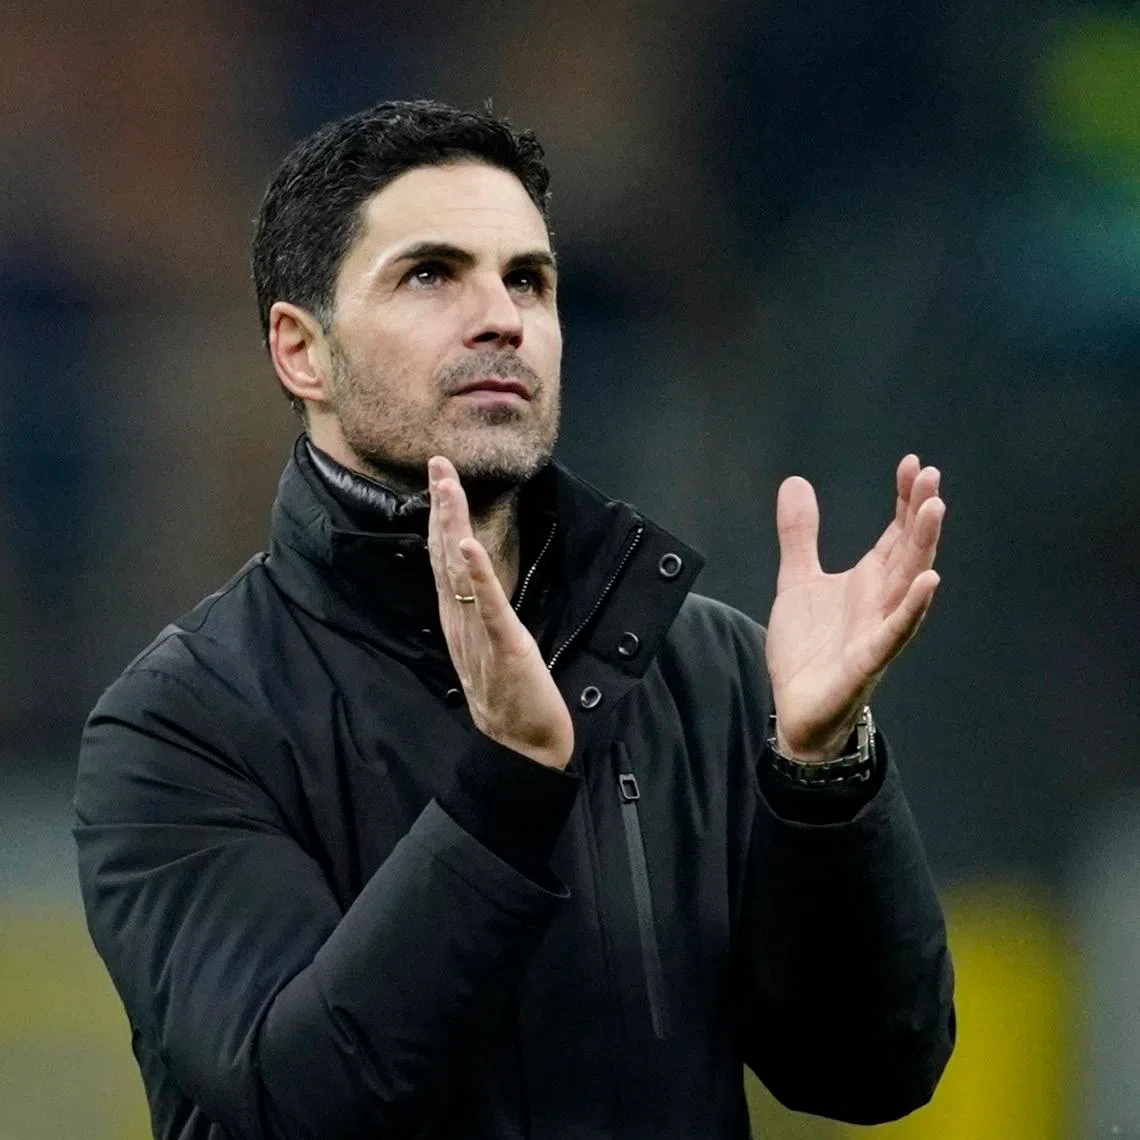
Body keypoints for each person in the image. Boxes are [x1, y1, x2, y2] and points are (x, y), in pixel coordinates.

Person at [74, 100, 955, 1140]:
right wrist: (510, 786)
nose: (501, 317)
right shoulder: (179, 726)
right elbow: (296, 1101)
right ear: (301, 352)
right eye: (430, 275)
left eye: (528, 280)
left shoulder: (705, 665)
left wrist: (822, 778)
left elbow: (873, 1072)